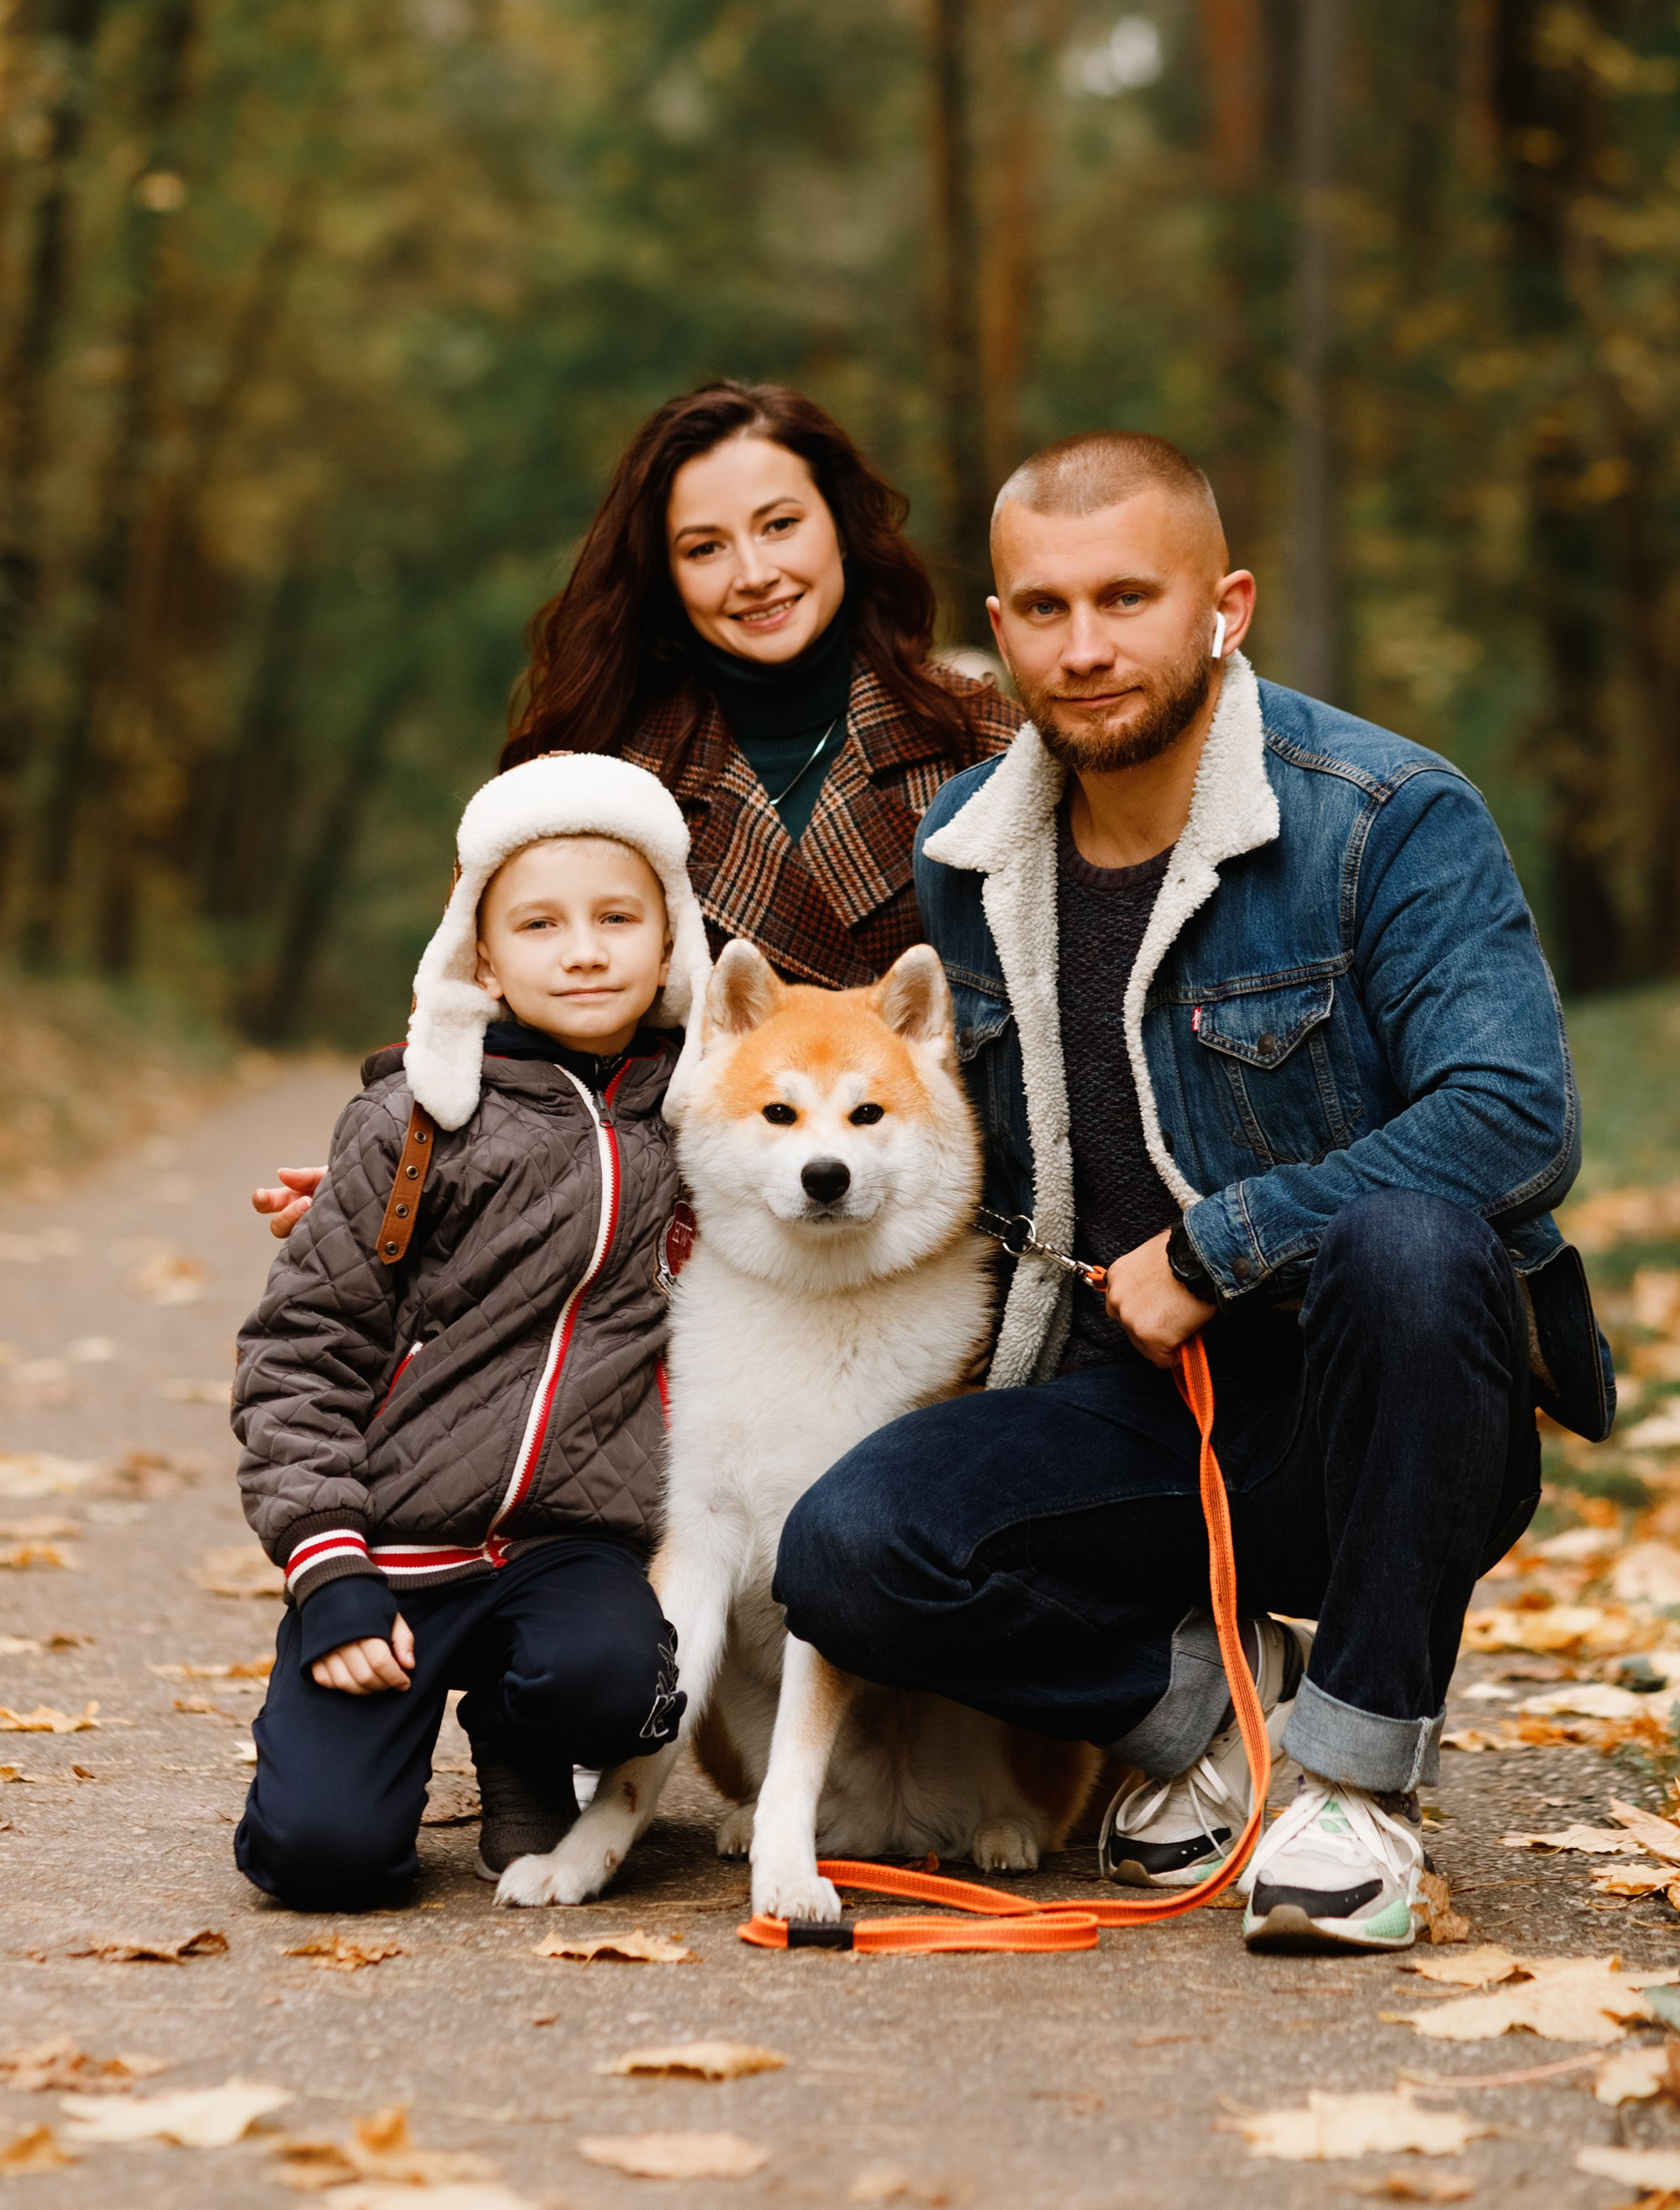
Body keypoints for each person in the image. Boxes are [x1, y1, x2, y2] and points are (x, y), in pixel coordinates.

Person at [773, 428, 1613, 1956]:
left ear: (1222, 605)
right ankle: (1221, 1710)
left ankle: (1357, 1786)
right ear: (1003, 624)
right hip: (1128, 1417)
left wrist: (1221, 1249)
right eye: (1042, 609)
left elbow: (1516, 1120)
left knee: (1414, 1242)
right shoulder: (965, 852)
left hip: (1392, 1404)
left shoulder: (1387, 815)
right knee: (845, 1551)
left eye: (1125, 599)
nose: (1084, 649)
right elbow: (808, 1063)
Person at [254, 377, 1018, 1239]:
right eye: (704, 548)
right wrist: (391, 1166)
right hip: (659, 1242)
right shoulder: (592, 772)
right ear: (665, 574)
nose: (754, 573)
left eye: (779, 525)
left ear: (841, 526)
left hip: (935, 1237)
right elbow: (478, 1008)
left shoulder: (978, 738)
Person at [232, 754, 711, 1909]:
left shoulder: (705, 1125)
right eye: (539, 924)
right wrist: (326, 1566)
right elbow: (301, 1355)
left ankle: (524, 1738)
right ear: (482, 953)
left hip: (575, 1548)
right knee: (323, 1859)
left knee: (617, 1678)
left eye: (617, 918)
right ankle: (349, 1752)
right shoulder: (412, 1125)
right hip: (393, 1548)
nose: (584, 949)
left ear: (671, 937)